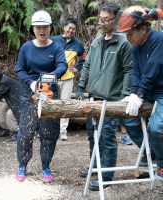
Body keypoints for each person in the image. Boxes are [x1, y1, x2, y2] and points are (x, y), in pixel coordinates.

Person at [76, 2, 143, 191]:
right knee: (92, 136)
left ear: (116, 19)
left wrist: (125, 95)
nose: (102, 22)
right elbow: (87, 65)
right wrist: (81, 88)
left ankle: (107, 175)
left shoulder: (123, 42)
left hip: (112, 100)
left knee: (106, 136)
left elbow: (129, 71)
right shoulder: (97, 41)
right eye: (100, 19)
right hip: (93, 98)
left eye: (106, 19)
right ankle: (95, 167)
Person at [16, 10, 67, 183]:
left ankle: (46, 165)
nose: (42, 31)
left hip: (50, 92)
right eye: (38, 27)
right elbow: (20, 69)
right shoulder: (26, 47)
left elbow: (63, 65)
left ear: (50, 27)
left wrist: (53, 75)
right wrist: (31, 83)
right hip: (28, 92)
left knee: (50, 132)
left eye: (45, 27)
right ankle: (22, 164)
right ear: (33, 29)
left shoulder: (56, 47)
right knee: (25, 131)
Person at [116, 6, 163, 180]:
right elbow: (136, 71)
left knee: (156, 128)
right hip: (147, 89)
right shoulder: (135, 46)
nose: (127, 37)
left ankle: (162, 164)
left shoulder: (159, 40)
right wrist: (133, 93)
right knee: (127, 117)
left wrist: (140, 94)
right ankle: (151, 151)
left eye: (130, 33)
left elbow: (153, 69)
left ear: (143, 29)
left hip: (160, 91)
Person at [51, 18, 86, 141]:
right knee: (51, 103)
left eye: (73, 29)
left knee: (65, 104)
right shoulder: (54, 40)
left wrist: (77, 68)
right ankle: (50, 129)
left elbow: (84, 58)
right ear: (64, 27)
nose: (71, 30)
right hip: (53, 78)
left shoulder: (78, 44)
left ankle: (63, 131)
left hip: (68, 79)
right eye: (69, 28)